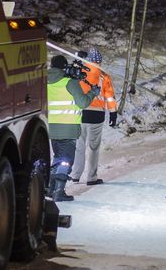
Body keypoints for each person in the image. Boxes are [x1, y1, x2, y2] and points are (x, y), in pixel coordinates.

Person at [47, 55, 98, 201]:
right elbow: (82, 103)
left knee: (58, 159)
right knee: (66, 161)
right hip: (68, 128)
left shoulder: (44, 82)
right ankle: (59, 192)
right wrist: (92, 93)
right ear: (64, 67)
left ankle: (50, 190)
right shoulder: (70, 83)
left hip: (51, 128)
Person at [71, 47, 117, 186]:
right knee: (93, 147)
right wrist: (113, 113)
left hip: (80, 113)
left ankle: (75, 175)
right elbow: (109, 97)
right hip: (97, 115)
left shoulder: (80, 72)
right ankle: (91, 177)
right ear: (100, 61)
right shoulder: (104, 76)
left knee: (79, 146)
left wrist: (78, 59)